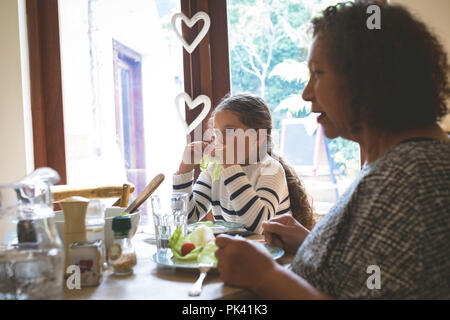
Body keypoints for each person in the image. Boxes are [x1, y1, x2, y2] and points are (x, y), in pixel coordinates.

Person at [215, 2, 450, 299]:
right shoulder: (401, 163)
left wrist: (265, 276)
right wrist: (315, 244)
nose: (306, 93)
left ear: (367, 79)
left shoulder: (412, 181)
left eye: (317, 73)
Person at [173, 93, 314, 234]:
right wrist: (184, 170)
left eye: (230, 131)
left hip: (269, 253)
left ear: (258, 137)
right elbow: (186, 219)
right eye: (216, 133)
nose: (219, 140)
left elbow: (257, 226)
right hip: (234, 252)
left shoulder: (271, 169)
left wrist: (231, 167)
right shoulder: (214, 170)